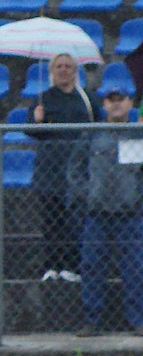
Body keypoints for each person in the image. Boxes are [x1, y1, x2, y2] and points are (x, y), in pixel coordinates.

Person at [26, 53, 101, 284]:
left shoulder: (86, 99)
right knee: (51, 220)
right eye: (59, 66)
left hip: (79, 169)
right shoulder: (42, 99)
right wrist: (36, 121)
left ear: (75, 71)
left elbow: (98, 127)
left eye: (68, 66)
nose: (63, 70)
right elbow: (31, 131)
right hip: (50, 169)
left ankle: (72, 266)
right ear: (52, 71)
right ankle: (51, 265)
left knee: (74, 220)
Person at [75, 85, 143, 337]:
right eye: (110, 100)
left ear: (130, 103)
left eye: (120, 100)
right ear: (103, 104)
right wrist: (85, 196)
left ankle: (137, 319)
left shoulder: (138, 135)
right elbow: (76, 169)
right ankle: (92, 320)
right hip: (97, 214)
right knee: (92, 267)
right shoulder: (92, 135)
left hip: (131, 215)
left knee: (135, 268)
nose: (116, 104)